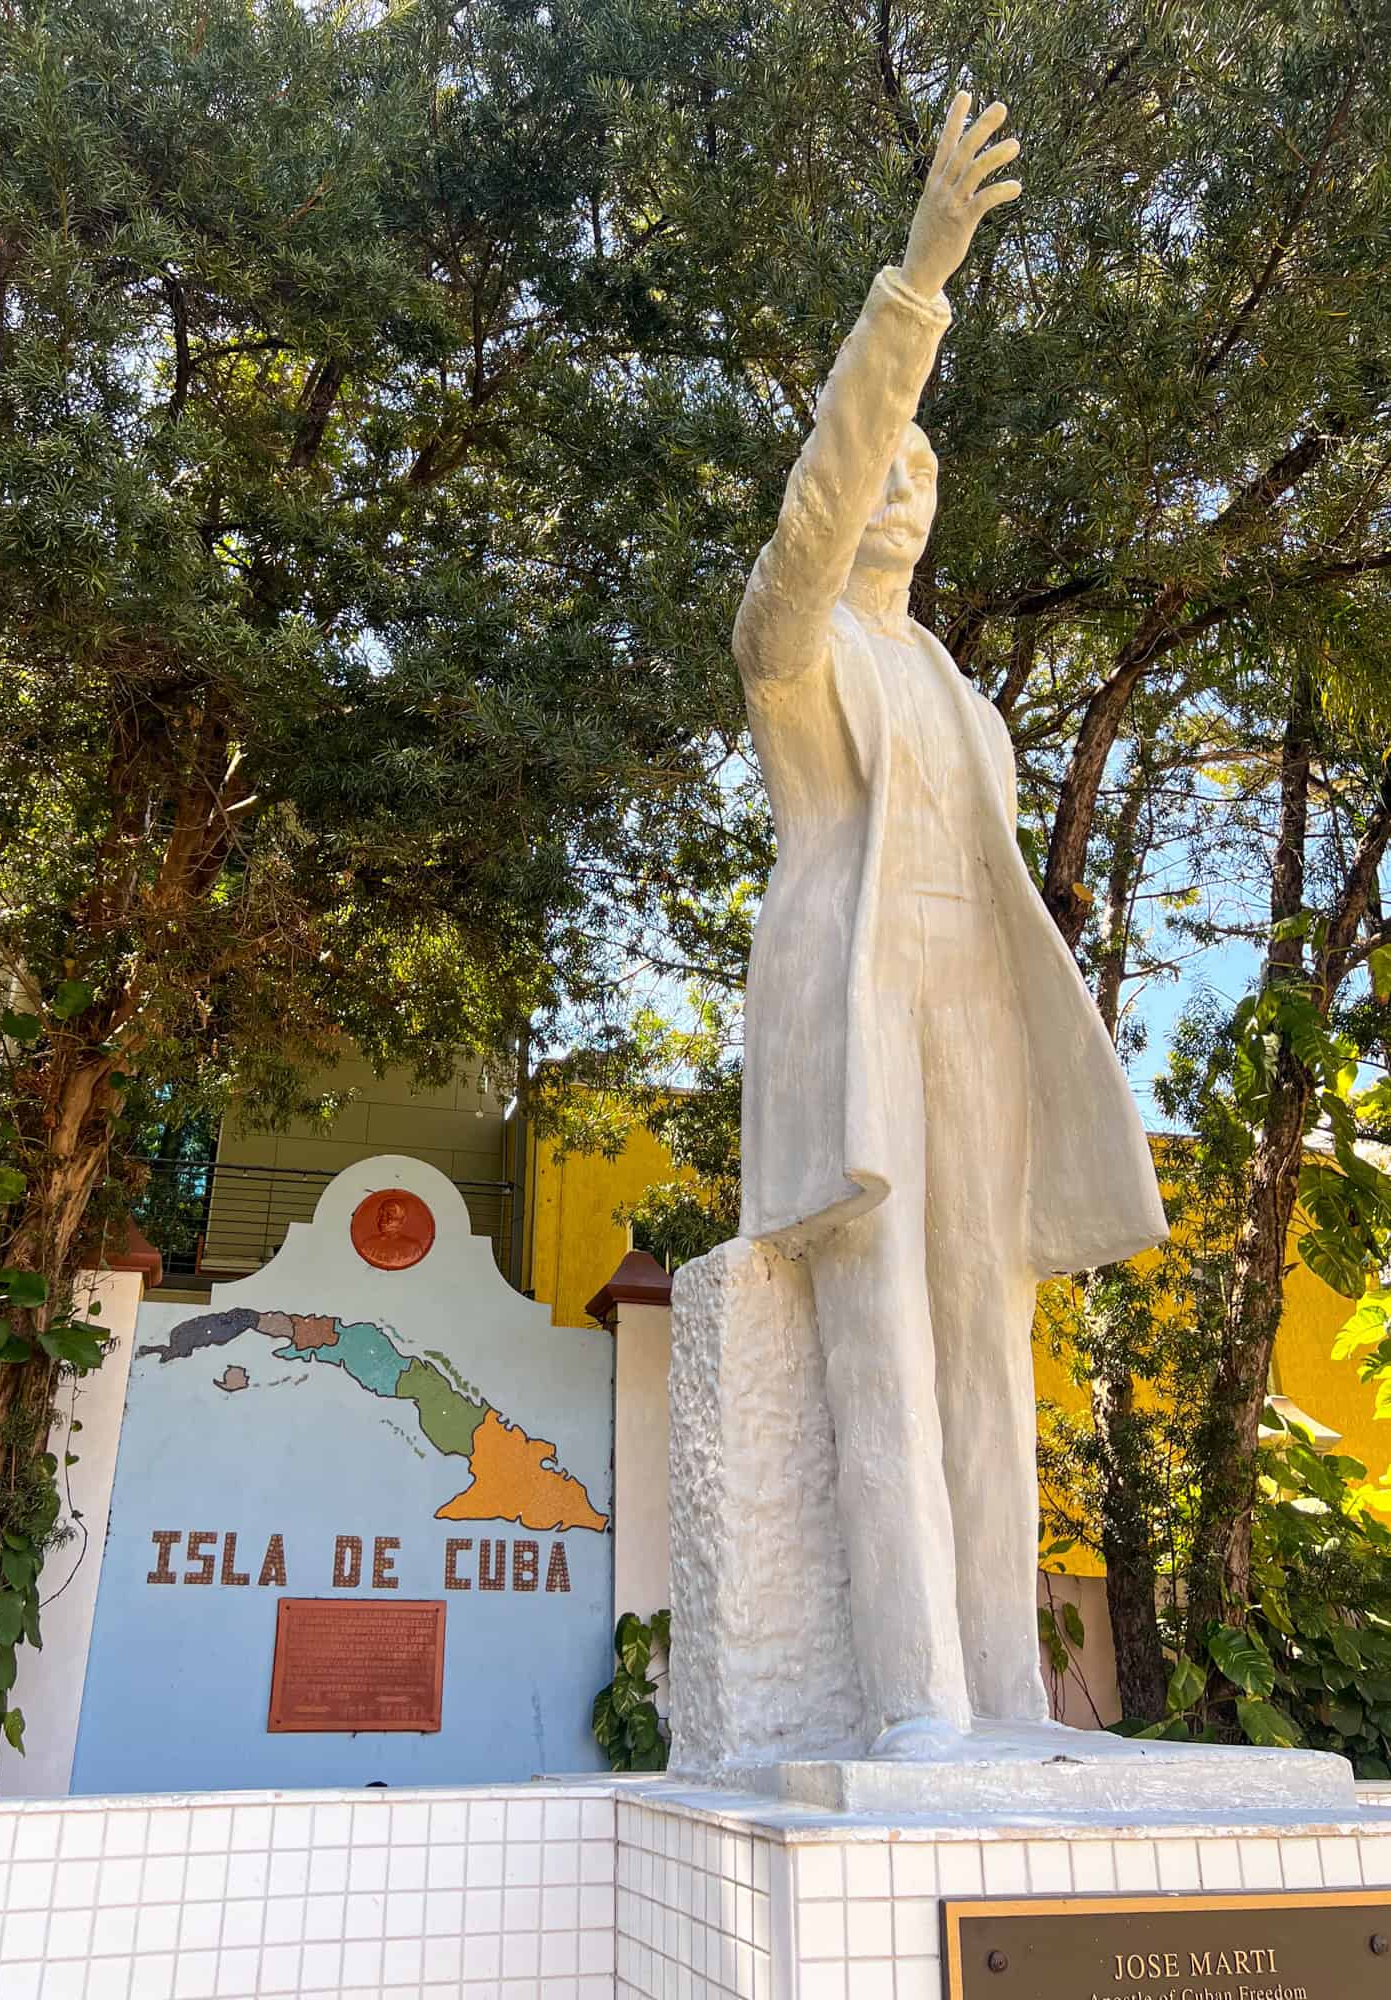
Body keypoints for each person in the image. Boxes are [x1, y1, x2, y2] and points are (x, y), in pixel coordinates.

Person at [734, 93, 1167, 1753]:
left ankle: (1008, 1697)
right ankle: (917, 1699)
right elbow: (813, 514)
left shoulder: (962, 698)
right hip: (856, 1014)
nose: (899, 493)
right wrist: (918, 283)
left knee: (992, 1348)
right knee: (884, 1345)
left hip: (974, 1011)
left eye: (923, 474)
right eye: (879, 470)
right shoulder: (796, 647)